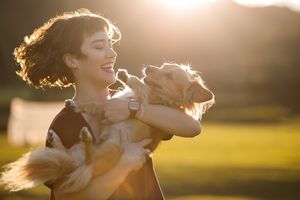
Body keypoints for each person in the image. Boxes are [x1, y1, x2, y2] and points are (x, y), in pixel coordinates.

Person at [14, 8, 201, 200]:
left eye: (110, 44)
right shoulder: (66, 124)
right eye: (98, 46)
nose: (111, 53)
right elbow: (68, 196)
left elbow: (192, 127)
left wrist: (133, 110)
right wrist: (124, 164)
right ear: (72, 60)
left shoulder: (134, 102)